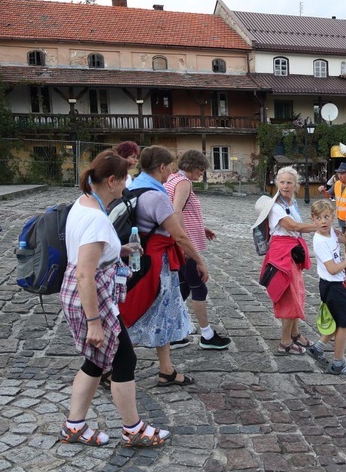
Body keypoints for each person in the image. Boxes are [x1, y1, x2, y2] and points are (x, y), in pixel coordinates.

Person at [59, 150, 169, 448]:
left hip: (85, 292)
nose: (126, 187)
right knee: (124, 359)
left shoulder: (82, 204)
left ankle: (74, 426)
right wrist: (94, 322)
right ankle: (133, 429)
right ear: (110, 181)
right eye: (124, 181)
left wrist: (120, 250)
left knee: (95, 362)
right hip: (91, 297)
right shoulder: (95, 217)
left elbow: (87, 254)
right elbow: (85, 272)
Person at [119, 145, 208, 386]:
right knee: (147, 311)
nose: (171, 171)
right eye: (169, 167)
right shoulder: (156, 196)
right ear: (161, 167)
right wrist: (199, 261)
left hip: (139, 259)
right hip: (158, 265)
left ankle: (166, 370)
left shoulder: (132, 188)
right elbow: (178, 236)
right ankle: (110, 366)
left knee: (161, 314)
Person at [164, 149, 231, 350]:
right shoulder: (184, 183)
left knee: (183, 288)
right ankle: (207, 335)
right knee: (198, 286)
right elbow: (176, 211)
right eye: (200, 169)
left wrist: (202, 228)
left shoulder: (171, 179)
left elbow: (177, 211)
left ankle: (172, 334)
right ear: (192, 167)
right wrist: (184, 242)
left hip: (177, 242)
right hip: (184, 244)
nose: (202, 173)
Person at [254, 166, 317, 355]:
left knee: (296, 293)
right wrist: (321, 226)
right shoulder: (275, 207)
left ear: (295, 185)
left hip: (291, 253)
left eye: (289, 182)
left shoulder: (291, 203)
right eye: (282, 182)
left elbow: (296, 227)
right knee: (289, 296)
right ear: (277, 184)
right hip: (282, 255)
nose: (285, 186)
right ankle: (285, 342)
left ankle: (295, 333)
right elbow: (293, 225)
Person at [307, 199, 346, 375]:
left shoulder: (332, 234)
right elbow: (332, 268)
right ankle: (338, 362)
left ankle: (318, 347)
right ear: (313, 220)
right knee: (344, 324)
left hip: (337, 284)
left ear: (332, 217)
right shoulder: (320, 241)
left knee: (336, 319)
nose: (323, 221)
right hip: (332, 285)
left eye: (327, 217)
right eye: (319, 218)